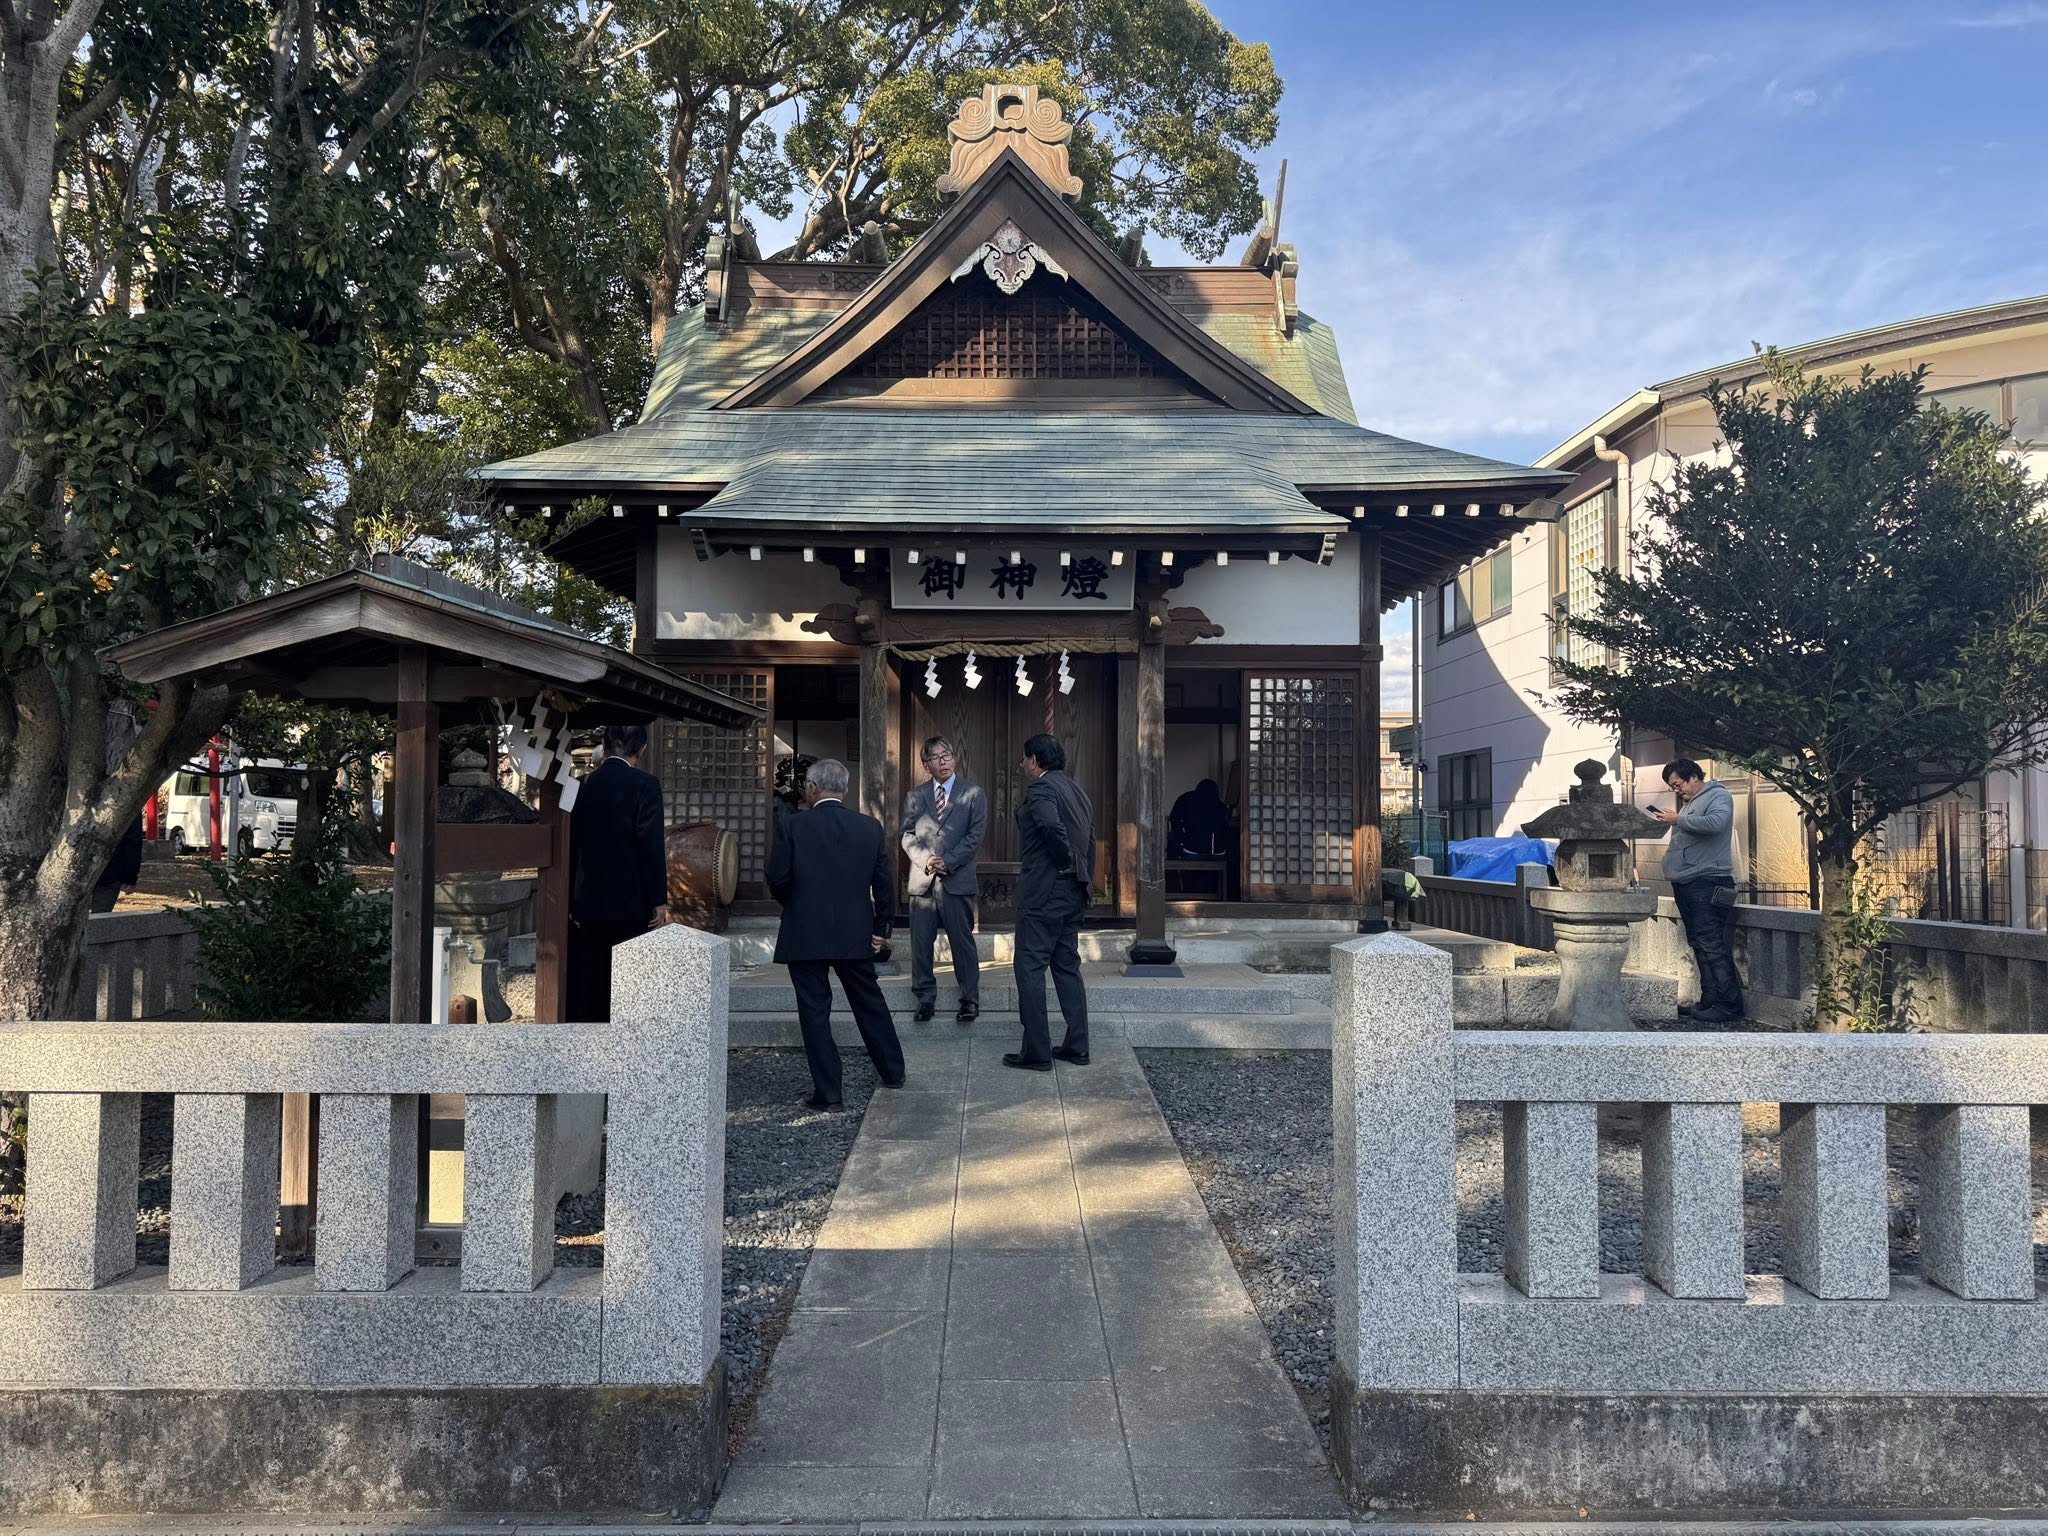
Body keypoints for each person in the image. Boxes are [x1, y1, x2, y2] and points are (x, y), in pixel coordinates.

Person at [768, 758, 906, 1108]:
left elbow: (777, 877)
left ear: (812, 788)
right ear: (844, 789)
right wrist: (882, 927)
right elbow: (884, 884)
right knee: (869, 1001)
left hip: (805, 931)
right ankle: (893, 1071)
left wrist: (796, 904)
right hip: (855, 930)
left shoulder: (794, 825)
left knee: (815, 1011)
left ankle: (829, 1094)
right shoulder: (869, 827)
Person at [566, 724, 669, 1023]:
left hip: (586, 896)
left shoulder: (582, 785)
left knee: (591, 974)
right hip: (631, 898)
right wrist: (658, 899)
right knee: (628, 976)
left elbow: (570, 842)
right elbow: (650, 843)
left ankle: (588, 1035)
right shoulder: (646, 785)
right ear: (642, 750)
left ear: (605, 745)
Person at [1006, 733, 1093, 1071]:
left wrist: (1060, 864)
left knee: (1028, 967)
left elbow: (1050, 826)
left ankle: (1037, 1052)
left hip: (1044, 890)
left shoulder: (1041, 788)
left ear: (1035, 761)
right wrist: (1081, 877)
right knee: (1066, 966)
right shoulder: (1078, 792)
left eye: (1025, 758)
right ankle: (1077, 1045)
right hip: (1073, 891)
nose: (1023, 764)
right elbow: (1091, 842)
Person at [901, 736, 987, 1025]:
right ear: (926, 765)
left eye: (947, 755)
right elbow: (907, 834)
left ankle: (969, 1000)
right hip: (923, 878)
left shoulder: (973, 792)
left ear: (954, 758)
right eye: (935, 757)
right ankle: (925, 999)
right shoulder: (915, 795)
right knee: (921, 943)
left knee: (962, 942)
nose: (943, 761)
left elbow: (975, 836)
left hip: (957, 878)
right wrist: (926, 859)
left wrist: (947, 861)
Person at [1651, 758, 1744, 1023]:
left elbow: (1717, 823)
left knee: (1711, 944)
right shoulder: (1692, 803)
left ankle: (1729, 1005)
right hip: (1689, 880)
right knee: (1699, 943)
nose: (1677, 790)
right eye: (1673, 787)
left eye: (1678, 784)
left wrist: (1678, 819)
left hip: (1709, 880)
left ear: (1694, 777)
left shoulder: (1718, 796)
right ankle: (1709, 1000)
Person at [90, 816, 145, 914]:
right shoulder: (130, 804)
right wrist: (130, 877)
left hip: (77, 868)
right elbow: (133, 841)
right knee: (100, 917)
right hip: (111, 870)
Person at [1169, 778, 1230, 858]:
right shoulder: (1220, 805)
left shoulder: (1185, 798)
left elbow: (1174, 818)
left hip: (1192, 850)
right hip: (1217, 852)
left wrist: (1180, 840)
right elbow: (1225, 828)